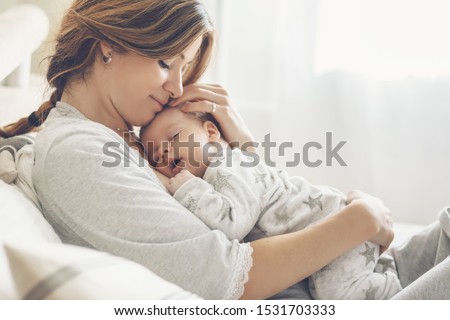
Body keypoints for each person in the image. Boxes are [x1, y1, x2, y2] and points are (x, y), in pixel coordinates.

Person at [0, 0, 449, 300]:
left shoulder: (125, 139)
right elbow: (225, 274)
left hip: (341, 272)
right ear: (110, 47)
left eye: (183, 69)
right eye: (164, 62)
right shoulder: (81, 154)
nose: (177, 86)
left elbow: (266, 206)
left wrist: (239, 140)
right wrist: (359, 220)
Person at [139, 107, 402, 299]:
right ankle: (379, 269)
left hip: (339, 227)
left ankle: (392, 288)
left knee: (334, 295)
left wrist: (188, 188)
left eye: (173, 138)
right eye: (154, 154)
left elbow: (232, 224)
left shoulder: (229, 165)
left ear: (210, 132)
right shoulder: (224, 171)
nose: (162, 151)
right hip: (335, 228)